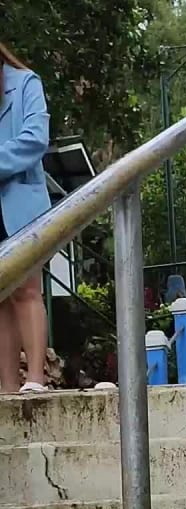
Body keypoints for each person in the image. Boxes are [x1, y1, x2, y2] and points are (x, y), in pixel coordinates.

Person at [0, 43, 51, 393]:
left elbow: (35, 139)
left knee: (26, 291)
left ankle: (34, 378)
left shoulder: (26, 84)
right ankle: (5, 388)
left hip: (21, 202)